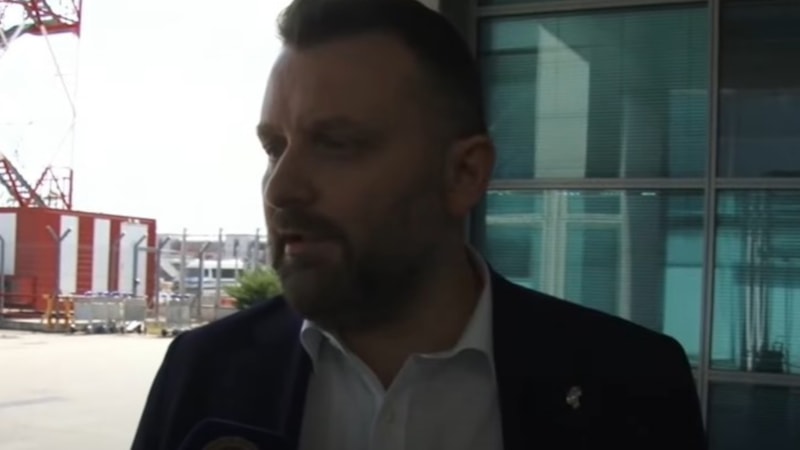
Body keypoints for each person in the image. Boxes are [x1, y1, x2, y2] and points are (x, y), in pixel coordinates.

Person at [132, 0, 707, 449]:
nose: (281, 189)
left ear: (463, 174)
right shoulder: (203, 370)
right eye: (274, 148)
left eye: (337, 144)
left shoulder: (632, 384)